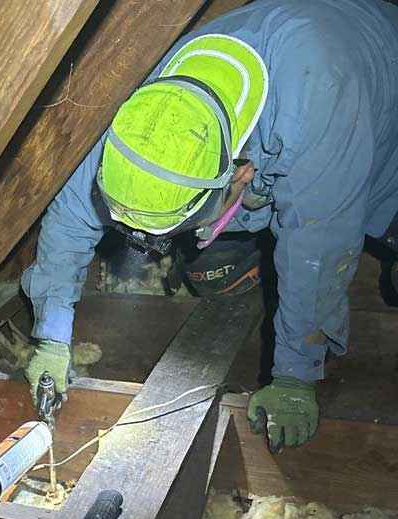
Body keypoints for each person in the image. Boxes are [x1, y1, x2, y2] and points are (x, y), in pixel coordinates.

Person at [23, 0, 398, 453]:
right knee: (214, 264)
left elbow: (318, 253)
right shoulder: (148, 114)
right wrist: (52, 334)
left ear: (240, 173)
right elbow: (71, 213)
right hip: (288, 108)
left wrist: (295, 375)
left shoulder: (319, 114)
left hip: (375, 110)